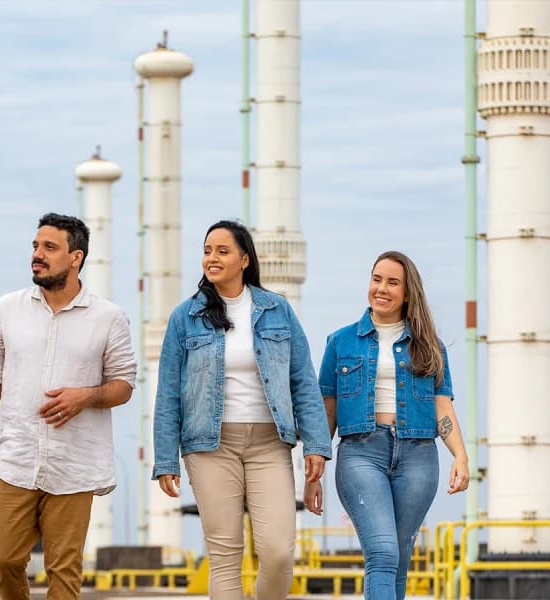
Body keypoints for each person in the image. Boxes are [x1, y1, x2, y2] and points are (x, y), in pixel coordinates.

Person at [0, 213, 136, 600]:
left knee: (63, 571)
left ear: (75, 257)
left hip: (74, 465)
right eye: (36, 246)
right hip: (16, 459)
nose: (38, 254)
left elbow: (123, 386)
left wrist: (86, 396)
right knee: (1, 556)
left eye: (49, 247)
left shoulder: (108, 317)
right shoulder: (8, 309)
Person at [153, 219, 332, 600]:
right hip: (209, 444)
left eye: (222, 251)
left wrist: (316, 443)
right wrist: (165, 459)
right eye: (206, 251)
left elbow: (303, 380)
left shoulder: (278, 311)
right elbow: (168, 393)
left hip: (269, 443)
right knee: (224, 555)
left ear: (244, 259)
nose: (211, 258)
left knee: (279, 552)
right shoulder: (185, 318)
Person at [305, 250, 469, 600]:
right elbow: (327, 412)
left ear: (407, 293)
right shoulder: (340, 342)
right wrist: (314, 470)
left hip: (418, 456)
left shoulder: (431, 347)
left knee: (398, 558)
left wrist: (460, 456)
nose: (382, 288)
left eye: (393, 282)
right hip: (361, 453)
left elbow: (443, 407)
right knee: (382, 553)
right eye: (376, 279)